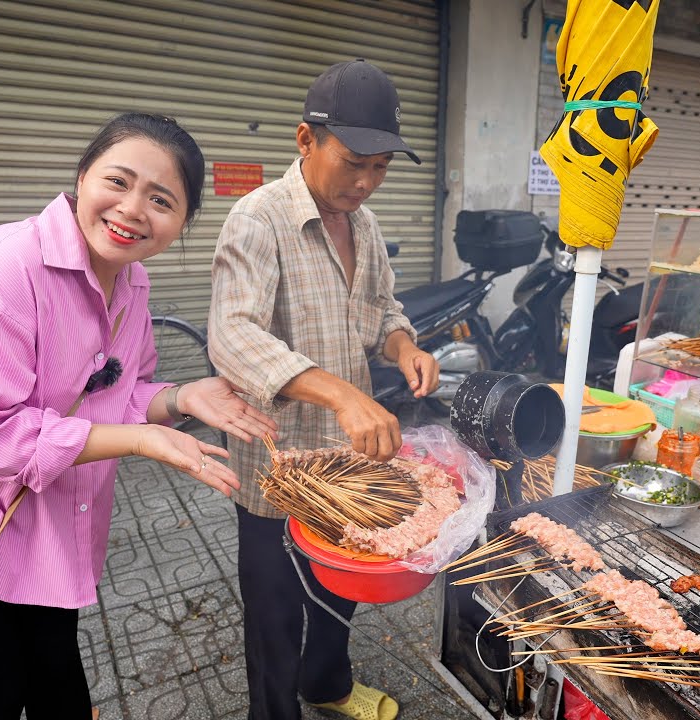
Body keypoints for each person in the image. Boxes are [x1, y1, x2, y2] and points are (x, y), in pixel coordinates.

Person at [0, 112, 278, 719]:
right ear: (81, 179)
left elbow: (116, 396)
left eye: (161, 200)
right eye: (118, 182)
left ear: (183, 222)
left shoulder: (131, 284)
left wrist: (182, 398)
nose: (132, 210)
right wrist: (140, 441)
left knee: (58, 680)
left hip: (29, 517)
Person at [208, 60, 440, 720]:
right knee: (276, 611)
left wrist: (405, 347)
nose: (366, 182)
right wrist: (341, 394)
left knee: (339, 587)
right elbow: (232, 335)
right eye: (354, 163)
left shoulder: (363, 224)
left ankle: (328, 686)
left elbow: (383, 311)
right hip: (278, 468)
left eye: (381, 168)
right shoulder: (259, 219)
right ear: (305, 139)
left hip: (345, 460)